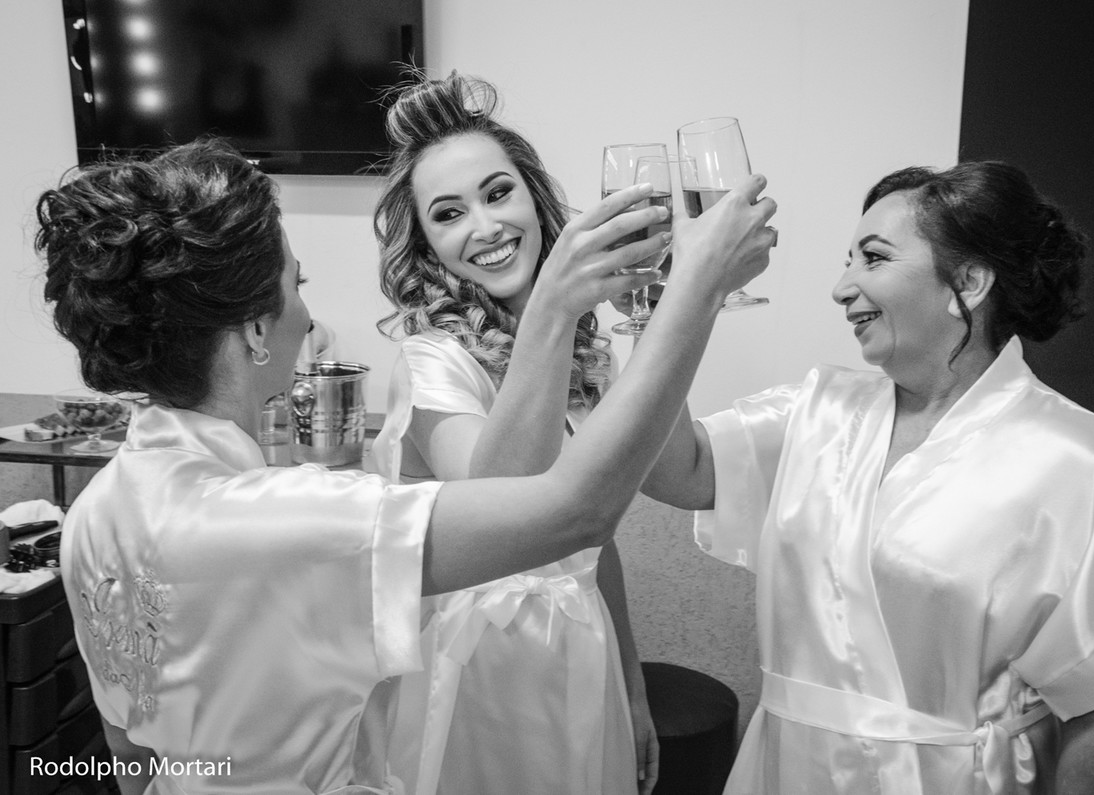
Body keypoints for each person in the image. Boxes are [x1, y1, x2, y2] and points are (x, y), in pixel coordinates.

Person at [36, 137, 777, 794]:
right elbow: (573, 511)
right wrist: (693, 288)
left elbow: (128, 752)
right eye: (297, 286)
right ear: (256, 329)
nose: (309, 318)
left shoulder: (96, 511)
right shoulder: (291, 516)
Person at [641, 161, 1094, 794]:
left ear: (969, 281)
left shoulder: (1074, 457)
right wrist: (670, 303)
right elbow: (673, 470)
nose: (842, 287)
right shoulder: (817, 412)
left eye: (874, 259)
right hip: (789, 768)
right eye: (847, 261)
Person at [370, 73, 661, 795]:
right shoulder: (431, 360)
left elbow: (590, 533)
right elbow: (502, 498)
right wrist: (556, 308)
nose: (486, 227)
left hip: (582, 645)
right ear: (428, 245)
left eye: (498, 194)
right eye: (449, 214)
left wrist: (632, 682)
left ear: (534, 198)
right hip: (477, 664)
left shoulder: (587, 354)